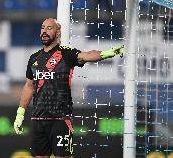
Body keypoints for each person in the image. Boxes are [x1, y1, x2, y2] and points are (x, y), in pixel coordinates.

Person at [13, 18, 124, 158]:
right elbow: (29, 86)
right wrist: (20, 114)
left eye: (49, 28)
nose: (44, 31)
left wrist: (108, 53)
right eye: (42, 28)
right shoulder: (34, 58)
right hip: (38, 120)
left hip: (60, 120)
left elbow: (87, 55)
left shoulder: (66, 53)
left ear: (58, 32)